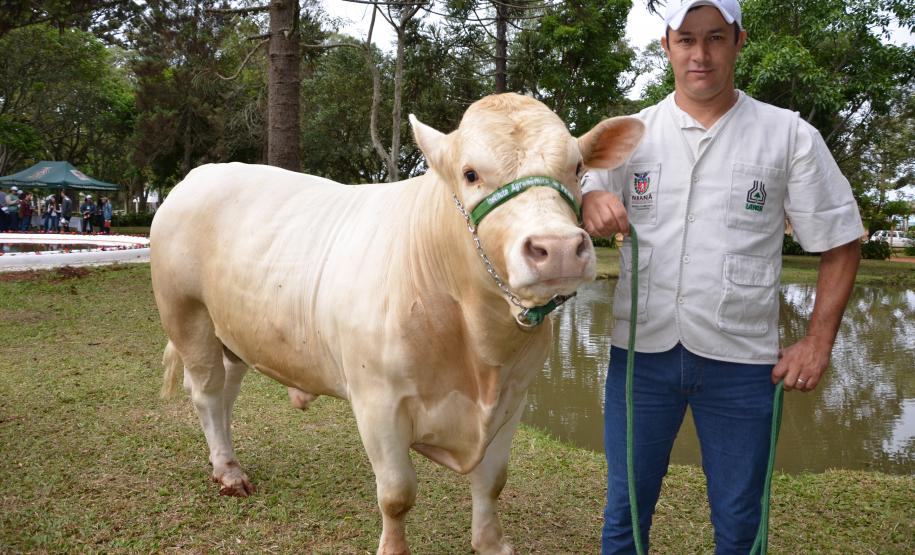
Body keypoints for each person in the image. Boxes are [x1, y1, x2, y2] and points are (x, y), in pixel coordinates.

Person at [581, 1, 863, 553]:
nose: (700, 55)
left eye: (714, 38)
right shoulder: (632, 133)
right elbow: (577, 183)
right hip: (642, 358)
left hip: (742, 364)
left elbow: (842, 239)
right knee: (624, 515)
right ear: (666, 45)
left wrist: (817, 342)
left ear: (738, 40)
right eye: (686, 39)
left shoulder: (788, 136)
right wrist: (589, 195)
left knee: (740, 524)